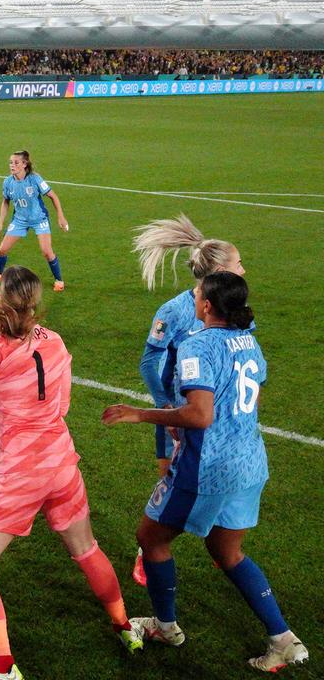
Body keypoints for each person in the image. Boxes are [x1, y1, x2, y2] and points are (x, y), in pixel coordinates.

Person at [0, 266, 139, 680]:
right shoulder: (55, 341)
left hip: (15, 473)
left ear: (3, 300)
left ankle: (4, 667)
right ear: (37, 303)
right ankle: (124, 625)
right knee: (86, 549)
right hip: (60, 463)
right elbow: (60, 407)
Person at [102, 272, 308, 673]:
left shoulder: (197, 346)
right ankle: (283, 640)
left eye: (197, 294)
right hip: (250, 461)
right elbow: (253, 397)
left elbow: (199, 414)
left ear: (208, 305)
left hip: (208, 468)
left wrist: (140, 413)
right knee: (227, 552)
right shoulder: (250, 340)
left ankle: (165, 627)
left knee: (151, 538)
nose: (194, 297)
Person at [129, 214, 245, 585]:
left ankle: (222, 547)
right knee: (167, 490)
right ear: (220, 271)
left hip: (218, 418)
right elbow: (150, 360)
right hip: (180, 415)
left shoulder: (233, 309)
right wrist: (166, 407)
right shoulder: (176, 311)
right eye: (239, 263)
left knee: (222, 477)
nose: (244, 268)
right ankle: (146, 553)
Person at [0, 151, 69, 292]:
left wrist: (60, 216)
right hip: (20, 220)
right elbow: (5, 202)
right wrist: (0, 223)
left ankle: (59, 280)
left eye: (16, 162)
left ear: (24, 164)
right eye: (11, 162)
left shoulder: (35, 179)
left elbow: (53, 196)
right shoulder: (8, 182)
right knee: (2, 250)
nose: (12, 165)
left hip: (39, 219)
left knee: (47, 252)